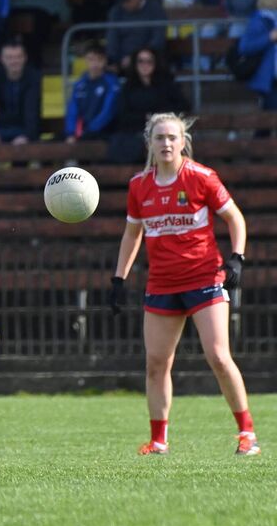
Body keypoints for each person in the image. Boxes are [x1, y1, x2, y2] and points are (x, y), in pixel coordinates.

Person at [108, 112, 260, 457]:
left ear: (183, 142)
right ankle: (158, 440)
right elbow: (132, 233)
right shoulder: (139, 186)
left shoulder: (201, 177)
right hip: (162, 283)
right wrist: (119, 278)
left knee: (219, 357)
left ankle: (247, 433)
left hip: (204, 278)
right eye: (159, 137)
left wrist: (237, 256)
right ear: (150, 142)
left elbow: (234, 217)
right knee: (156, 363)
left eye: (172, 137)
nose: (166, 143)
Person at [106, 47, 189, 164]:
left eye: (149, 61)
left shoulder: (167, 85)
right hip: (134, 132)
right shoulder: (128, 87)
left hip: (163, 131)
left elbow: (183, 106)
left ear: (156, 63)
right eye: (141, 61)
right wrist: (144, 117)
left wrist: (158, 117)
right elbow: (123, 114)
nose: (145, 65)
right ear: (135, 64)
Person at [0, 40, 41, 146]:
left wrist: (27, 136)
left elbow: (32, 109)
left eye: (18, 57)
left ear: (25, 58)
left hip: (25, 130)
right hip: (1, 130)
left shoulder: (33, 77)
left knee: (22, 151)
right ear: (2, 59)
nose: (14, 61)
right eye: (9, 57)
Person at [106, 0, 167, 72]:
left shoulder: (155, 9)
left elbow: (158, 40)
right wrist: (114, 60)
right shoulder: (117, 11)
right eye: (123, 2)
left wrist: (136, 58)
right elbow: (112, 39)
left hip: (148, 61)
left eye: (127, 0)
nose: (125, 5)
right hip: (121, 62)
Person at [64, 42, 119, 143]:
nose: (95, 64)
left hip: (103, 133)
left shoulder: (112, 83)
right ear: (85, 60)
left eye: (99, 59)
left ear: (105, 61)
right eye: (91, 59)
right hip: (81, 133)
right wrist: (71, 133)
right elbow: (73, 110)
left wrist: (89, 131)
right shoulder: (79, 84)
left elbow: (108, 112)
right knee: (47, 146)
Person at [238, 0, 277, 124]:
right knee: (268, 117)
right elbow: (246, 47)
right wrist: (269, 37)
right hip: (269, 78)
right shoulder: (260, 20)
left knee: (268, 118)